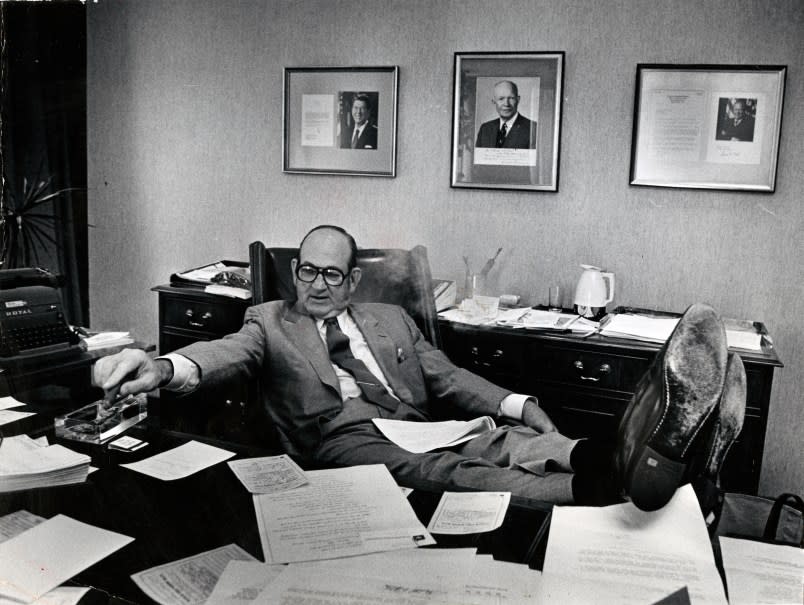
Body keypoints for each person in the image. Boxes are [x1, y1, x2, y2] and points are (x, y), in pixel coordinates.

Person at [94, 225, 745, 510]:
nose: (317, 283)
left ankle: (641, 458)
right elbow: (221, 354)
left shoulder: (390, 320)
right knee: (449, 470)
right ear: (296, 274)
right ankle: (622, 479)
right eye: (308, 270)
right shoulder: (269, 321)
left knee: (509, 441)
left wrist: (516, 403)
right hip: (341, 440)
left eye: (332, 272)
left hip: (419, 423)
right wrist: (164, 367)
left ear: (350, 281)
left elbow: (449, 379)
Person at [475, 81, 537, 149]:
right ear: (494, 101)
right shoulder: (485, 129)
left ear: (518, 100)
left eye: (511, 98)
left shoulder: (533, 129)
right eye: (501, 99)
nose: (506, 104)